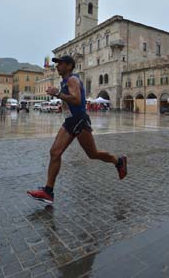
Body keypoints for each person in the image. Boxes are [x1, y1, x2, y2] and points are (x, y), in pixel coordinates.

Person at [27, 55, 127, 204]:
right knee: (56, 152)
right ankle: (48, 191)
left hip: (78, 120)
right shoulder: (66, 81)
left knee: (92, 154)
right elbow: (71, 101)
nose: (57, 66)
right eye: (56, 64)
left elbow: (77, 99)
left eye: (60, 63)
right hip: (70, 120)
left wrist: (58, 93)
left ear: (69, 66)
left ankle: (118, 161)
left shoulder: (72, 80)